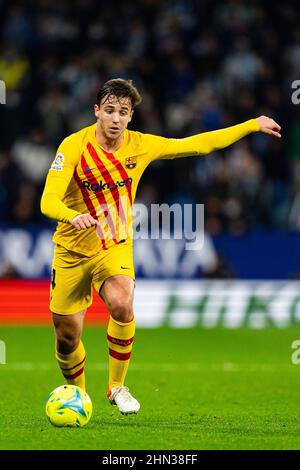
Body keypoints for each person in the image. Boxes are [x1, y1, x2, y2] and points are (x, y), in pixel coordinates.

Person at [40, 78, 281, 415]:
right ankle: (79, 396)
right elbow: (48, 199)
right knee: (67, 336)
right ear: (96, 111)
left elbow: (198, 145)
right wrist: (71, 216)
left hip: (115, 244)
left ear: (130, 117)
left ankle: (117, 386)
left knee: (122, 303)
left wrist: (251, 124)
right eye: (109, 110)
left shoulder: (141, 145)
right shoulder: (72, 146)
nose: (115, 118)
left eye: (122, 112)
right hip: (71, 250)